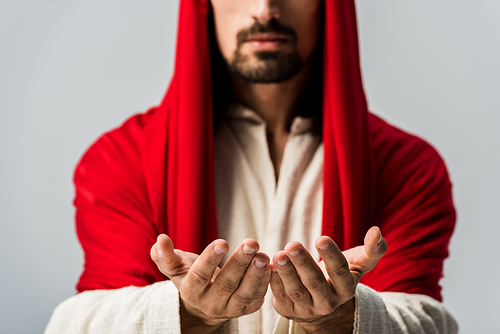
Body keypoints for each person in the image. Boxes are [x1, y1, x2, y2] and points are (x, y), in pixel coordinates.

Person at [45, 0, 458, 333]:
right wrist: (187, 314)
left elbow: (428, 321)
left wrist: (342, 320)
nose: (264, 9)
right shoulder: (122, 159)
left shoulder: (407, 168)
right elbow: (76, 323)